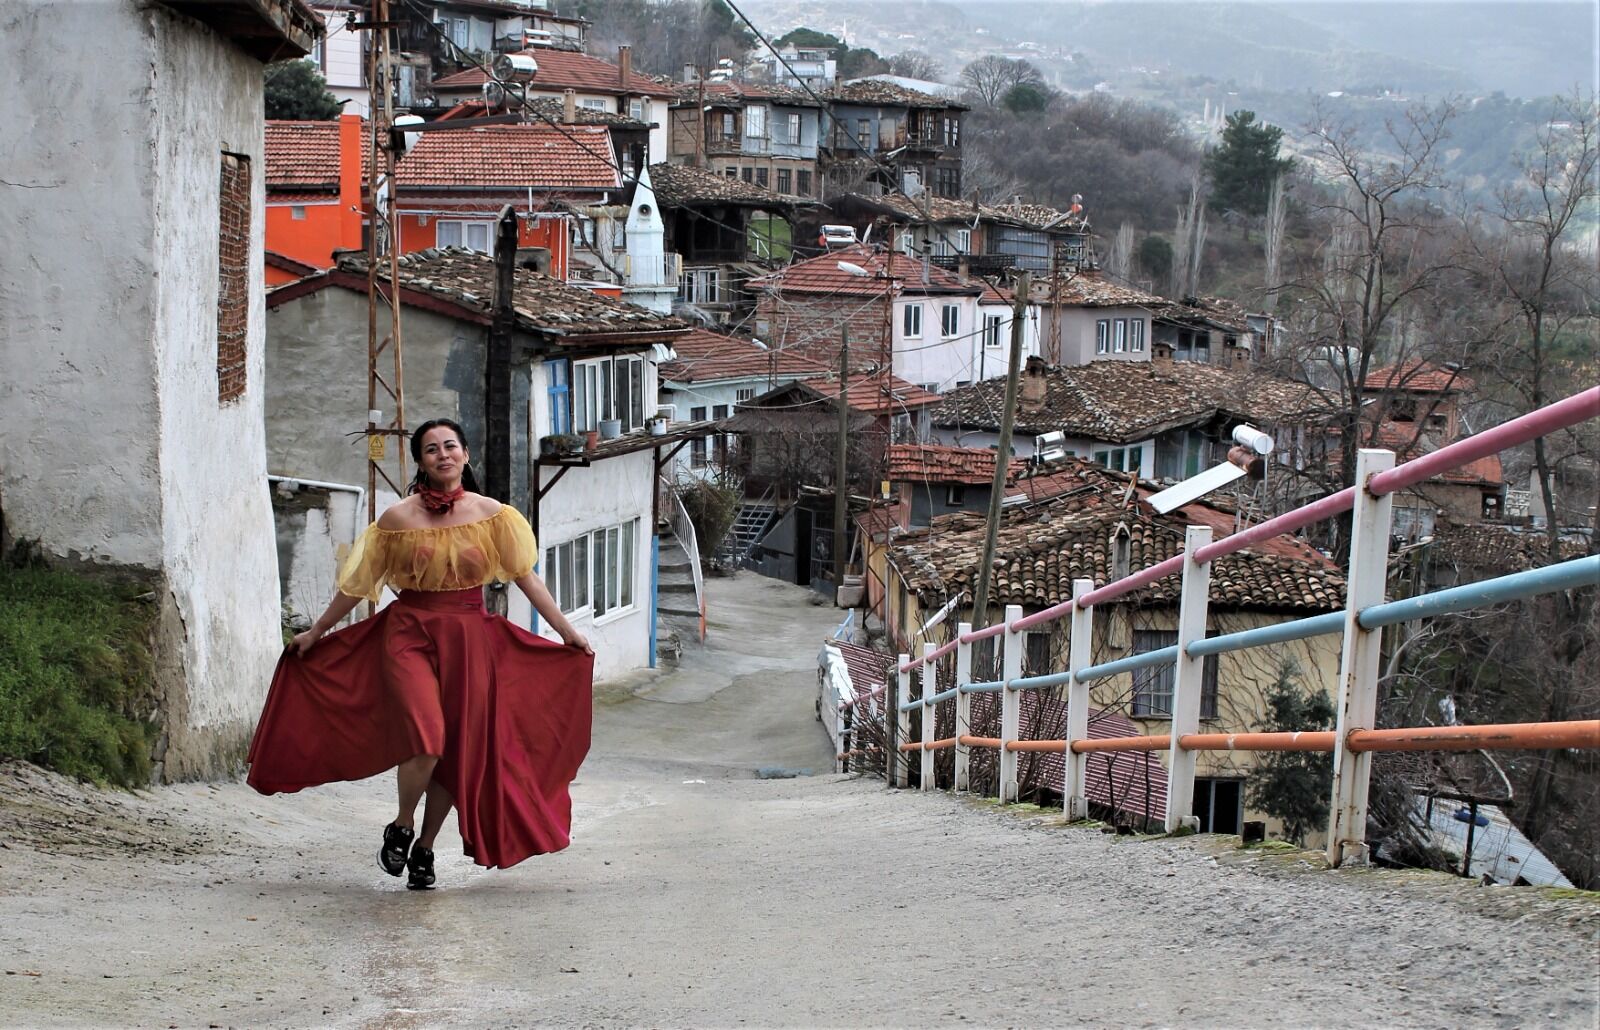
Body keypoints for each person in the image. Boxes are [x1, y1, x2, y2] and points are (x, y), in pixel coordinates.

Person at [247, 418, 594, 890]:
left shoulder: (494, 515)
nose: (443, 454)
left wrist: (566, 631)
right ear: (421, 462)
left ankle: (426, 849)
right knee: (427, 738)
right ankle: (403, 825)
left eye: (450, 445)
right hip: (407, 634)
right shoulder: (396, 520)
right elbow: (358, 586)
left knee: (454, 750)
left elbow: (526, 578)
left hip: (469, 640)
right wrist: (318, 631)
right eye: (431, 449)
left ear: (466, 454)